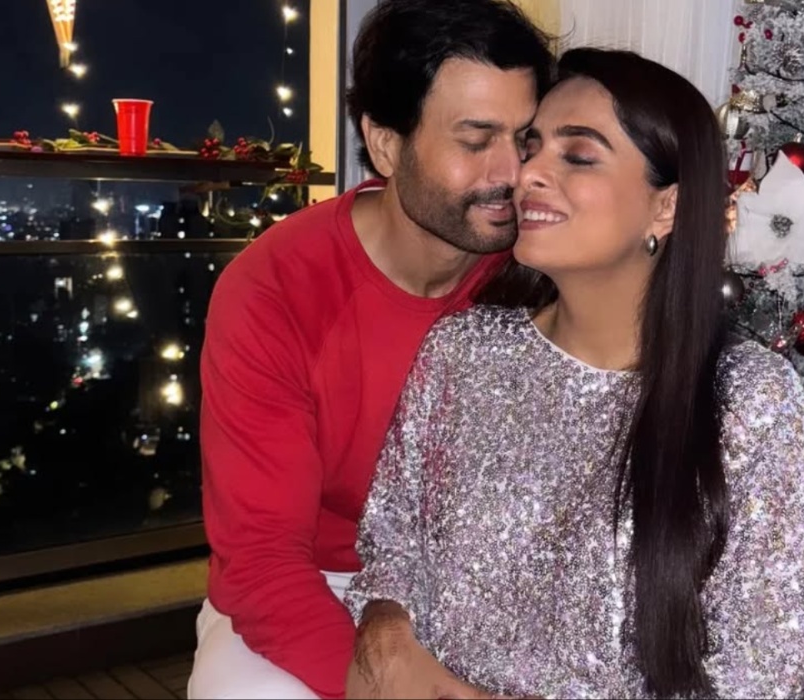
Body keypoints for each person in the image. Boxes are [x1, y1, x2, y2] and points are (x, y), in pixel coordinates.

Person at [345, 48, 804, 699]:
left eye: (577, 155)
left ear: (666, 207)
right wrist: (387, 632)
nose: (527, 174)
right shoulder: (462, 353)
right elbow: (390, 544)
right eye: (532, 147)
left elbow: (759, 670)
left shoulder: (747, 398)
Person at [187, 1, 553, 698]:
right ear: (385, 144)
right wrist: (379, 686)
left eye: (525, 138)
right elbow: (263, 560)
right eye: (476, 140)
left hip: (479, 590)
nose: (512, 172)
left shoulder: (540, 270)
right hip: (316, 582)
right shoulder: (275, 290)